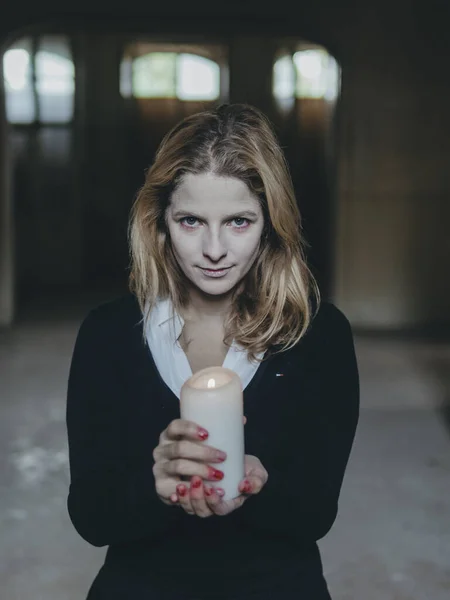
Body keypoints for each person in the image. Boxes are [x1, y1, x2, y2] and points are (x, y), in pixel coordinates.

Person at [66, 103, 359, 600]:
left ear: (271, 224)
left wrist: (257, 485)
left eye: (239, 222)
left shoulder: (318, 334)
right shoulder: (109, 334)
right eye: (191, 221)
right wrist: (154, 484)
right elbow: (92, 519)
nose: (215, 249)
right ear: (159, 222)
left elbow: (316, 515)